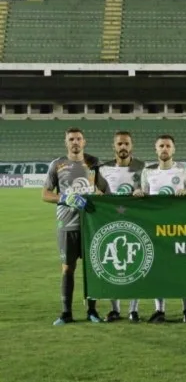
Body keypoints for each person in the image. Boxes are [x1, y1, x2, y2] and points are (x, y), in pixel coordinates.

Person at [133, 134, 186, 323]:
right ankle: (159, 310)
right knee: (158, 270)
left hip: (179, 228)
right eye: (161, 146)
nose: (165, 149)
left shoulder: (184, 171)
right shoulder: (147, 172)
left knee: (183, 270)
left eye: (168, 146)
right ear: (156, 149)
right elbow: (143, 195)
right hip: (156, 230)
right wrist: (138, 193)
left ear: (174, 149)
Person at [43, 127, 101, 325]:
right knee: (68, 268)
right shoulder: (57, 164)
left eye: (78, 139)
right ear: (66, 142)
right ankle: (66, 312)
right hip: (67, 223)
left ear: (84, 142)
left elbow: (103, 190)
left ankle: (92, 311)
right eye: (71, 139)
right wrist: (65, 197)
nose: (75, 142)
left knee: (92, 269)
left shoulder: (93, 163)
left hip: (90, 225)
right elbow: (45, 194)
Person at [95, 131, 146, 323]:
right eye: (119, 144)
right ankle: (114, 309)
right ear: (113, 146)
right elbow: (99, 193)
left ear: (131, 146)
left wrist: (141, 192)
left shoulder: (142, 167)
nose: (122, 147)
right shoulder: (104, 169)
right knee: (110, 265)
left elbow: (147, 191)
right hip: (110, 222)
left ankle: (134, 310)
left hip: (135, 220)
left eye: (126, 144)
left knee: (137, 263)